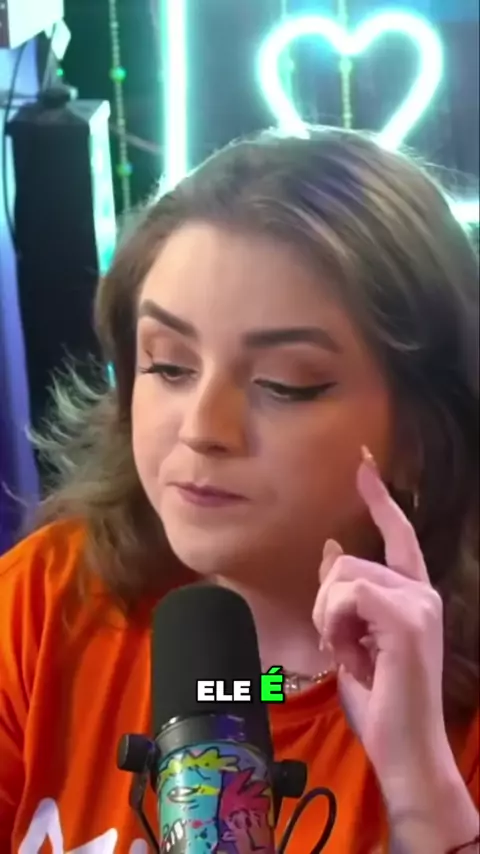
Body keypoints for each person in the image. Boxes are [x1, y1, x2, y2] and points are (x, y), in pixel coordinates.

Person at [0, 128, 478, 854]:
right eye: (169, 366)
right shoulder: (44, 601)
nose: (203, 429)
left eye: (284, 384)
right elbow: (254, 691)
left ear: (423, 433)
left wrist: (421, 794)